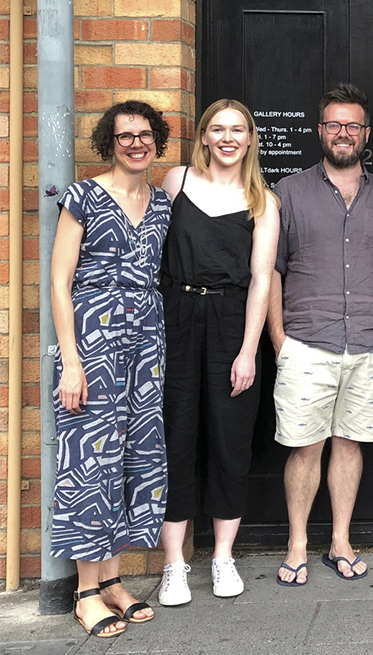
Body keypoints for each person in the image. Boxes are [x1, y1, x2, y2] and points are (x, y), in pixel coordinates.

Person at [268, 83, 373, 586]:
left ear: (365, 134)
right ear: (320, 130)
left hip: (371, 344)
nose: (343, 133)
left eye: (352, 125)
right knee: (305, 447)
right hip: (306, 342)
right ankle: (298, 543)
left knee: (351, 444)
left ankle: (341, 540)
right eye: (334, 124)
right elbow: (272, 271)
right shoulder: (287, 192)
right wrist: (279, 340)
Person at [50, 100, 171, 637]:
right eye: (125, 136)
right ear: (109, 141)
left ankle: (113, 581)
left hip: (146, 340)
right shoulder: (83, 196)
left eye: (145, 135)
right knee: (88, 462)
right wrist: (71, 361)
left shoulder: (162, 202)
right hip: (93, 339)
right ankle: (84, 593)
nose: (136, 143)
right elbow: (59, 281)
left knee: (134, 456)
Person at [155, 99, 280, 604]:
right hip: (176, 317)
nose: (228, 138)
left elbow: (261, 281)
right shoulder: (175, 182)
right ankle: (174, 564)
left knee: (230, 441)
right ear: (204, 136)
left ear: (250, 140)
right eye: (218, 129)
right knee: (175, 437)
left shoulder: (263, 202)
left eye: (238, 130)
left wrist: (249, 350)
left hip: (232, 321)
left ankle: (223, 557)